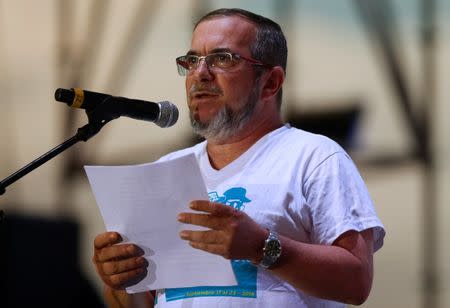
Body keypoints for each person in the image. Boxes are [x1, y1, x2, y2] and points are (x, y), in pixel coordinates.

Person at [92, 8, 385, 308]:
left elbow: (357, 281)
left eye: (222, 59)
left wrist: (261, 246)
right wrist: (115, 279)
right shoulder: (164, 171)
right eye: (192, 61)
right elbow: (137, 303)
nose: (200, 73)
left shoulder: (315, 158)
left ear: (270, 82)